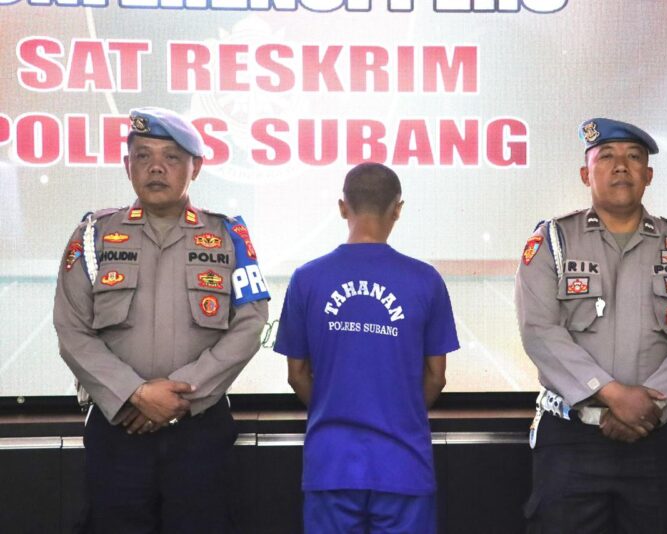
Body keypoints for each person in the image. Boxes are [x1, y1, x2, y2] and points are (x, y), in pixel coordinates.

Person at [53, 107, 270, 533]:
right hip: (118, 431)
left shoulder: (229, 236)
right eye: (143, 155)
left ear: (197, 167)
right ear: (126, 165)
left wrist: (180, 398)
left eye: (172, 157)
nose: (156, 167)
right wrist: (134, 393)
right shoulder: (93, 235)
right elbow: (71, 328)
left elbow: (250, 323)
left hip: (199, 433)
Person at [515, 118, 667, 534]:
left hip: (656, 439)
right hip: (571, 440)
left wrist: (649, 404)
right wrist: (613, 394)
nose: (620, 166)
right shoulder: (552, 241)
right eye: (606, 157)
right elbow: (539, 330)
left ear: (648, 175)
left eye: (633, 158)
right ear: (585, 173)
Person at [273, 162, 459, 534]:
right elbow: (436, 378)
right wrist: (397, 412)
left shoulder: (306, 278)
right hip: (405, 465)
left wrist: (338, 405)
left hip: (331, 464)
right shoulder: (426, 280)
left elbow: (296, 376)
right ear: (398, 209)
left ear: (343, 207)